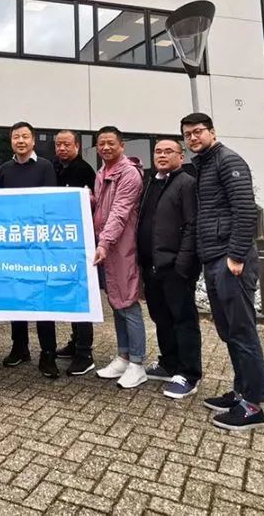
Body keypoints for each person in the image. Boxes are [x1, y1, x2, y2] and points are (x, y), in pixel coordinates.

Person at [180, 112, 264, 431]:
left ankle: (252, 406)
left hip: (230, 260)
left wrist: (235, 255)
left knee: (242, 331)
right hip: (214, 257)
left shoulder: (228, 161)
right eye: (187, 134)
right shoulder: (205, 164)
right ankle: (241, 391)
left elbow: (245, 209)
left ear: (212, 132)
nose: (193, 138)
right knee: (229, 330)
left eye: (198, 131)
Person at [137, 138, 202, 400]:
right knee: (161, 317)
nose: (162, 155)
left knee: (183, 320)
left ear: (181, 156)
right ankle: (169, 363)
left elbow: (192, 226)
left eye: (168, 151)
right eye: (158, 151)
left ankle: (189, 374)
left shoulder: (186, 183)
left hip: (175, 267)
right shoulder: (152, 182)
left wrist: (182, 264)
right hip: (151, 265)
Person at [0, 121, 60, 378]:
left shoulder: (45, 166)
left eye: (25, 137)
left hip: (39, 243)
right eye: (16, 137)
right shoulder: (4, 169)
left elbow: (51, 203)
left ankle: (48, 353)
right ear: (11, 141)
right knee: (17, 295)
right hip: (14, 243)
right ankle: (19, 347)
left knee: (42, 298)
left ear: (33, 140)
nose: (21, 141)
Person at [91, 126, 147, 389]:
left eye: (111, 143)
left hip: (122, 247)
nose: (105, 148)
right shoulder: (102, 172)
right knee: (116, 301)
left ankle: (137, 363)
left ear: (122, 145)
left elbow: (120, 212)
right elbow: (103, 209)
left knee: (128, 302)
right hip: (106, 246)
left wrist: (104, 243)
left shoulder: (129, 173)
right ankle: (123, 357)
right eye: (101, 143)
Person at [51, 129, 97, 376]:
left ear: (77, 146)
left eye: (66, 145)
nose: (62, 149)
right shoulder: (55, 169)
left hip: (80, 242)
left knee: (81, 294)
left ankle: (84, 352)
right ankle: (75, 340)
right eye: (58, 145)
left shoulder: (84, 170)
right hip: (60, 241)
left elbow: (93, 203)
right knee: (70, 294)